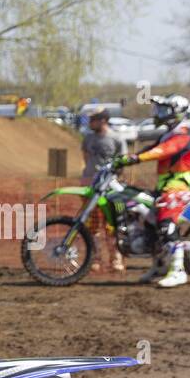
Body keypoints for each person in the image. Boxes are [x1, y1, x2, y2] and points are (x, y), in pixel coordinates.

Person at [114, 94, 190, 288]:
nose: (159, 113)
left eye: (164, 110)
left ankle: (178, 272)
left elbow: (163, 151)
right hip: (164, 187)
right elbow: (151, 148)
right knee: (149, 222)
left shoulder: (183, 133)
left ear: (176, 113)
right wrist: (125, 157)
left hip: (177, 188)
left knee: (167, 226)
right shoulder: (168, 132)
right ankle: (159, 266)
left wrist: (133, 160)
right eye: (158, 109)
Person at [81, 109, 127, 272]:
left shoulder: (116, 138)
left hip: (110, 188)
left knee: (112, 225)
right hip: (91, 187)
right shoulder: (88, 138)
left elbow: (122, 163)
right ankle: (95, 259)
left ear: (103, 120)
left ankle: (116, 259)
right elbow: (86, 159)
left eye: (93, 119)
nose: (90, 122)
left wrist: (115, 180)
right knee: (92, 224)